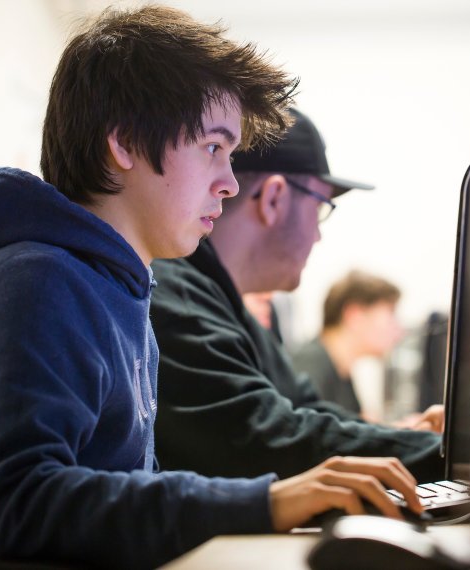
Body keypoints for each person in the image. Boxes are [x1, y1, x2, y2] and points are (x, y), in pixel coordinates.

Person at [0, 7, 426, 570]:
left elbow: (126, 488)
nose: (230, 183)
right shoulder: (36, 282)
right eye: (214, 147)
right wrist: (266, 501)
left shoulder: (118, 288)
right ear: (126, 142)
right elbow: (23, 506)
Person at [150, 108, 446, 483]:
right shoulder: (177, 297)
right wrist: (450, 457)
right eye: (321, 207)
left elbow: (302, 409)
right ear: (274, 198)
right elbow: (266, 439)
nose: (318, 235)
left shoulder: (220, 301)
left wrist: (406, 438)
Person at [291, 270, 404, 419]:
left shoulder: (341, 369)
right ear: (355, 315)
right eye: (391, 314)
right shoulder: (311, 366)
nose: (399, 331)